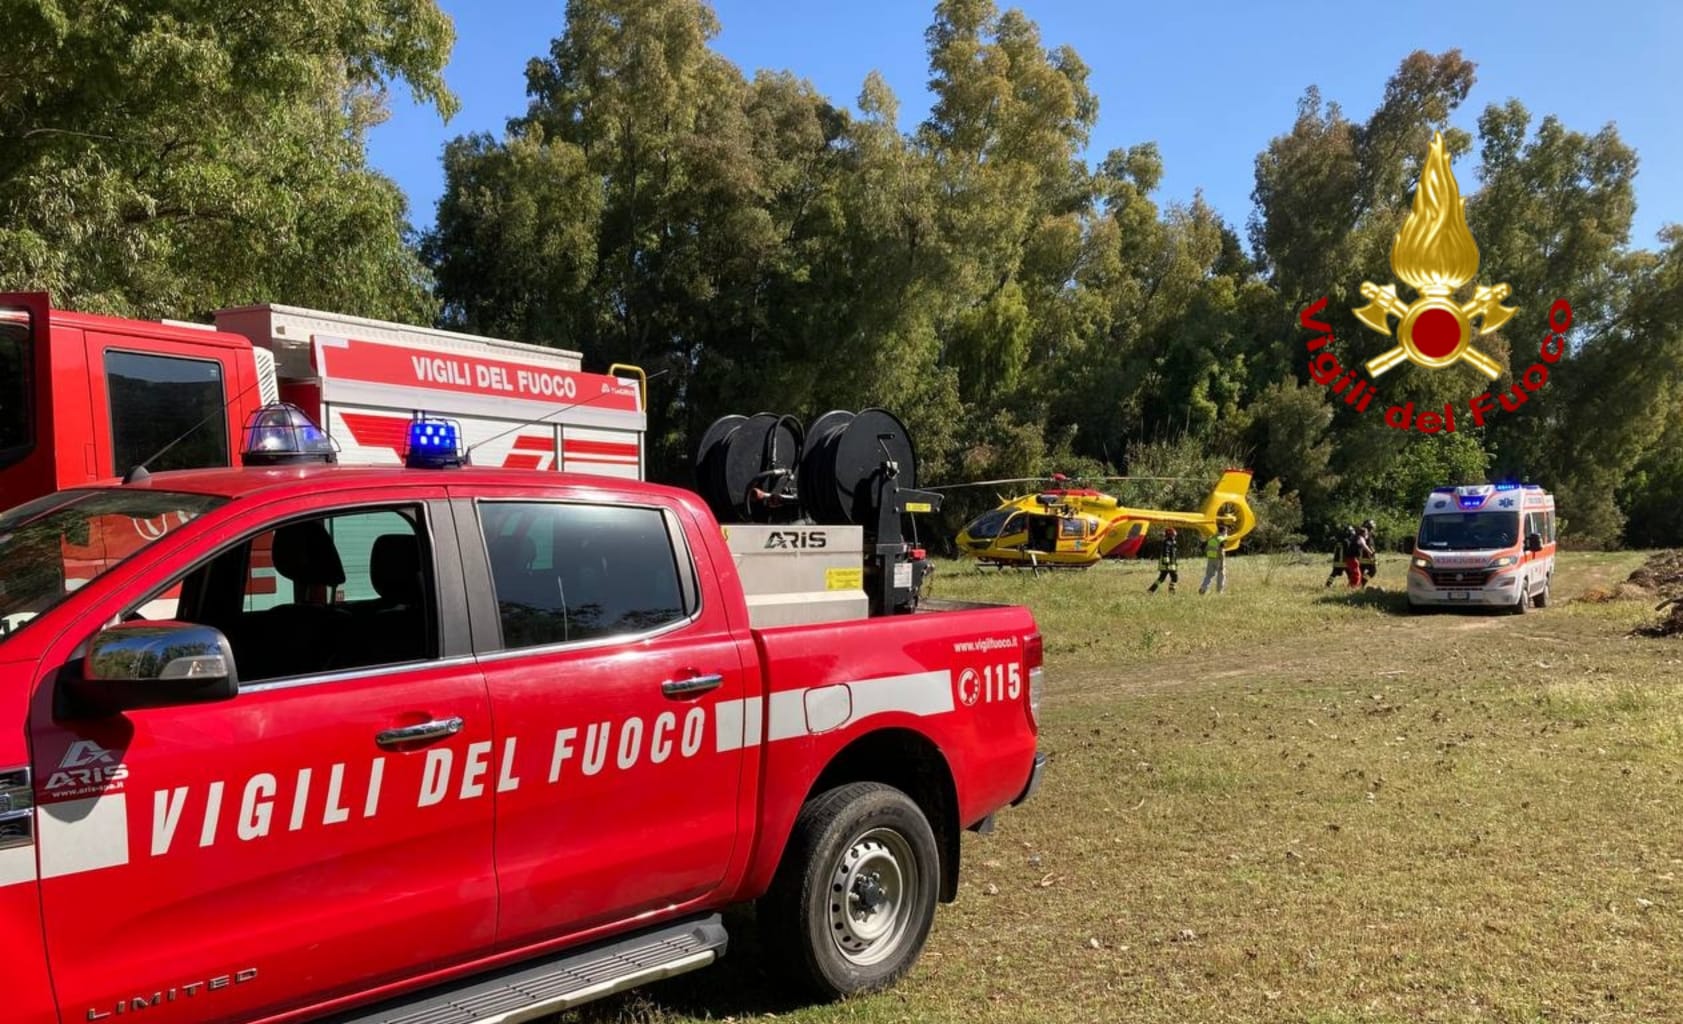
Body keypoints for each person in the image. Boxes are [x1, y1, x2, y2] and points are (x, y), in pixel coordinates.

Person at [1199, 525, 1229, 595]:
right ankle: (1219, 591)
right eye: (1226, 531)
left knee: (1209, 575)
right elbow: (1221, 551)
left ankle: (1203, 588)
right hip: (1218, 559)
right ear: (1224, 531)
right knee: (1221, 575)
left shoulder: (1211, 538)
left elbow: (1204, 547)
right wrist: (1222, 562)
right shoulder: (1221, 539)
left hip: (1210, 559)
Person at [1148, 526, 1179, 593]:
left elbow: (1173, 554)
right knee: (1174, 577)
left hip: (1169, 564)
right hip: (1168, 564)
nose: (1174, 537)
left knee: (1162, 578)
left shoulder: (1171, 542)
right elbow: (1166, 552)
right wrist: (1167, 562)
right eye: (1173, 535)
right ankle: (1171, 590)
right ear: (1170, 535)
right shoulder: (1168, 542)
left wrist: (1175, 563)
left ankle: (1151, 590)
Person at [1357, 520, 1379, 586]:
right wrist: (1373, 557)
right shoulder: (1367, 535)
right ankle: (1362, 582)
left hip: (1362, 558)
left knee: (1361, 572)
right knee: (1373, 571)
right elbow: (1369, 547)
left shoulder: (1365, 535)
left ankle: (1359, 584)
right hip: (1368, 558)